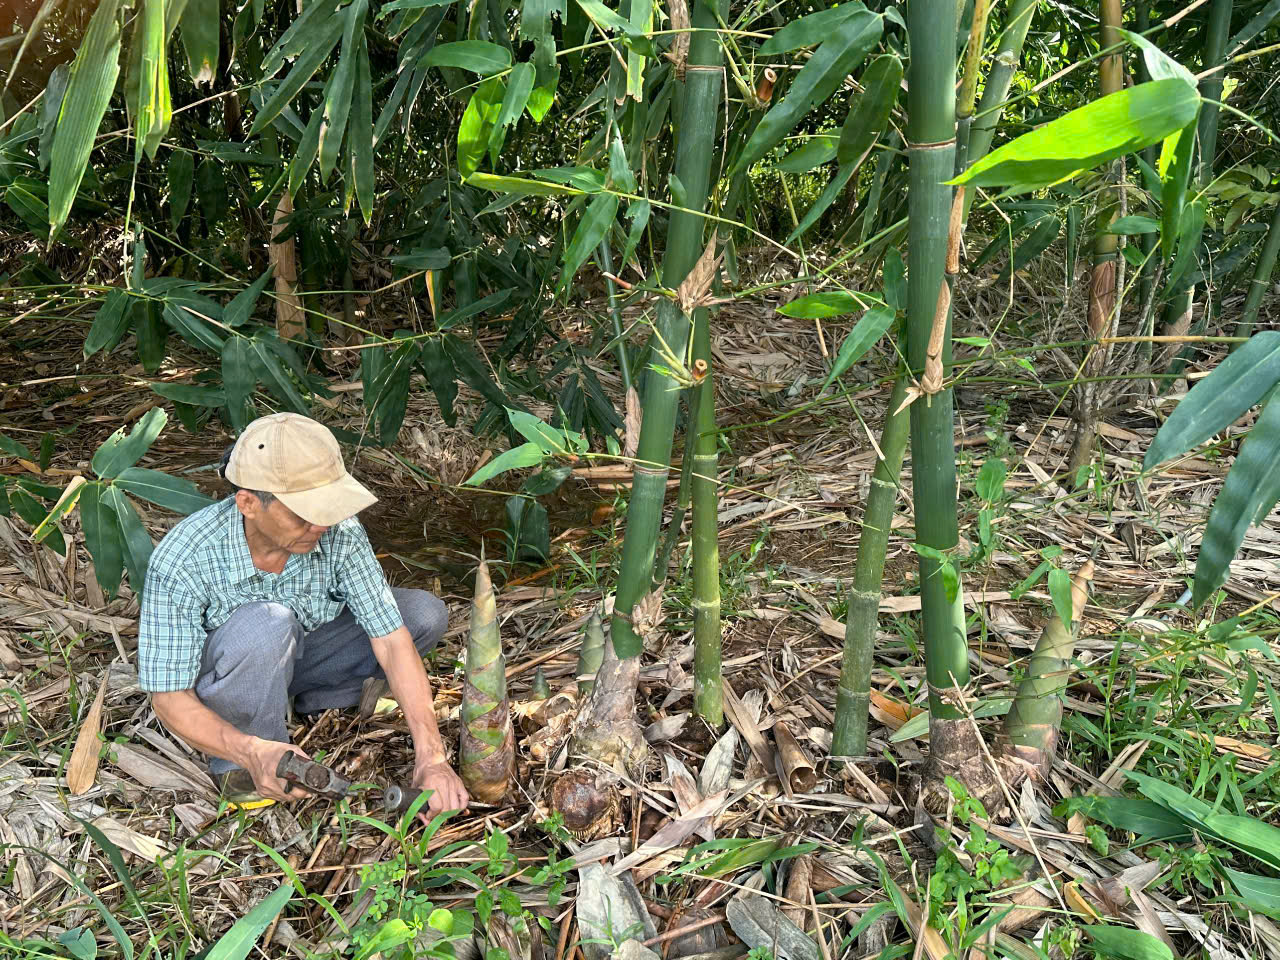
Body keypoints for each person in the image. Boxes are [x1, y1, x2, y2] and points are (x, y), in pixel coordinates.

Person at [136, 412, 469, 816]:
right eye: (302, 513)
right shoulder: (184, 558)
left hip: (301, 650)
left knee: (422, 614)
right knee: (267, 625)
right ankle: (245, 762)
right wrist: (250, 751)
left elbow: (392, 641)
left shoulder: (337, 531)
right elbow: (169, 697)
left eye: (327, 508)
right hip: (234, 668)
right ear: (248, 503)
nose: (320, 525)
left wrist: (432, 759)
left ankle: (314, 699)